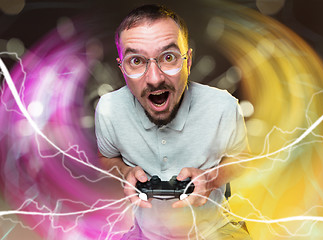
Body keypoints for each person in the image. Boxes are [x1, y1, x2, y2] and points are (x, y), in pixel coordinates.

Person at [95, 4, 251, 240]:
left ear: (188, 61)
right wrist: (125, 171)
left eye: (169, 57)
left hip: (214, 231)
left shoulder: (223, 106)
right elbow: (106, 156)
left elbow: (243, 158)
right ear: (122, 69)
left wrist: (210, 179)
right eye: (136, 61)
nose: (155, 79)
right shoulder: (109, 109)